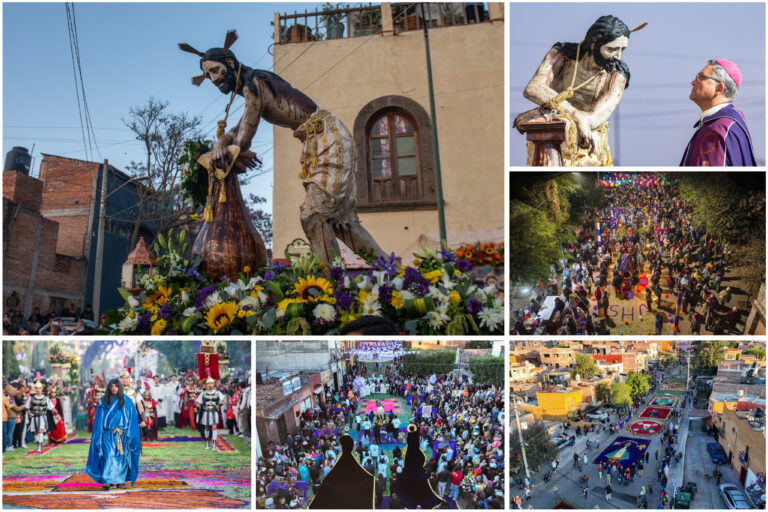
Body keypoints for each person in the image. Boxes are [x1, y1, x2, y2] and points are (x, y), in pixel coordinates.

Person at [179, 30, 385, 271]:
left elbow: (244, 138)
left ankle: (330, 288)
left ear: (231, 63)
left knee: (312, 216)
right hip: (319, 139)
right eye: (207, 75)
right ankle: (395, 274)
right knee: (343, 225)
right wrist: (221, 143)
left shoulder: (254, 84)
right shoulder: (254, 86)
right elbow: (239, 127)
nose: (213, 79)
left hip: (325, 138)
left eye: (215, 70)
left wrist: (223, 146)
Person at [514, 15, 646, 166]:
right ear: (593, 45)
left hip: (586, 141)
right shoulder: (563, 54)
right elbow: (533, 88)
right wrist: (574, 115)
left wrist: (550, 112)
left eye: (623, 49)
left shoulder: (618, 73)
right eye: (611, 49)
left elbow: (594, 119)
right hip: (558, 126)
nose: (618, 56)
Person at [681, 59, 756, 166]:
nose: (693, 82)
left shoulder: (719, 129)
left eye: (701, 77)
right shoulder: (723, 124)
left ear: (719, 88)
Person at [86, 378, 141, 490]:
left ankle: (120, 481)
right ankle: (107, 480)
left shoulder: (127, 401)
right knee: (108, 456)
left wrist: (131, 434)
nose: (114, 388)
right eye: (112, 386)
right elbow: (99, 420)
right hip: (108, 433)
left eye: (116, 386)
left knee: (122, 458)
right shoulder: (103, 401)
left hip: (122, 434)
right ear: (109, 388)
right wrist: (98, 435)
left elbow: (132, 418)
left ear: (119, 387)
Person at [196, 377, 225, 450]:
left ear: (214, 384)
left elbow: (223, 401)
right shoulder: (203, 393)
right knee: (207, 427)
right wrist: (197, 407)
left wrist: (219, 405)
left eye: (211, 383)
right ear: (206, 384)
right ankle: (207, 442)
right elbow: (198, 402)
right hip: (206, 412)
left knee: (214, 427)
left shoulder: (218, 393)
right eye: (208, 383)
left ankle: (214, 443)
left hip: (214, 412)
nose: (210, 385)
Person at [25, 381, 54, 452]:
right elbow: (27, 407)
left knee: (40, 430)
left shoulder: (46, 398)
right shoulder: (31, 397)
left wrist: (55, 415)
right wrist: (29, 412)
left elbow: (51, 407)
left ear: (41, 389)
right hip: (34, 416)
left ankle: (40, 446)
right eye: (36, 388)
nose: (38, 390)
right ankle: (38, 444)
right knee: (35, 432)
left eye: (39, 388)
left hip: (42, 417)